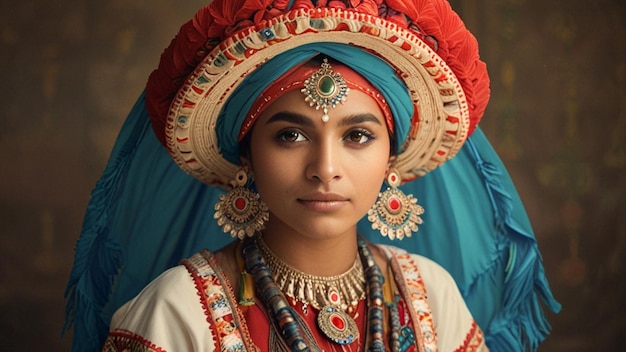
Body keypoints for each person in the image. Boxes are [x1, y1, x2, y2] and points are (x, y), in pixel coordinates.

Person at [63, 1, 561, 351]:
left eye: (358, 136)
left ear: (392, 160)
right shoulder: (175, 312)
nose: (325, 169)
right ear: (247, 156)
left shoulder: (430, 294)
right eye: (290, 136)